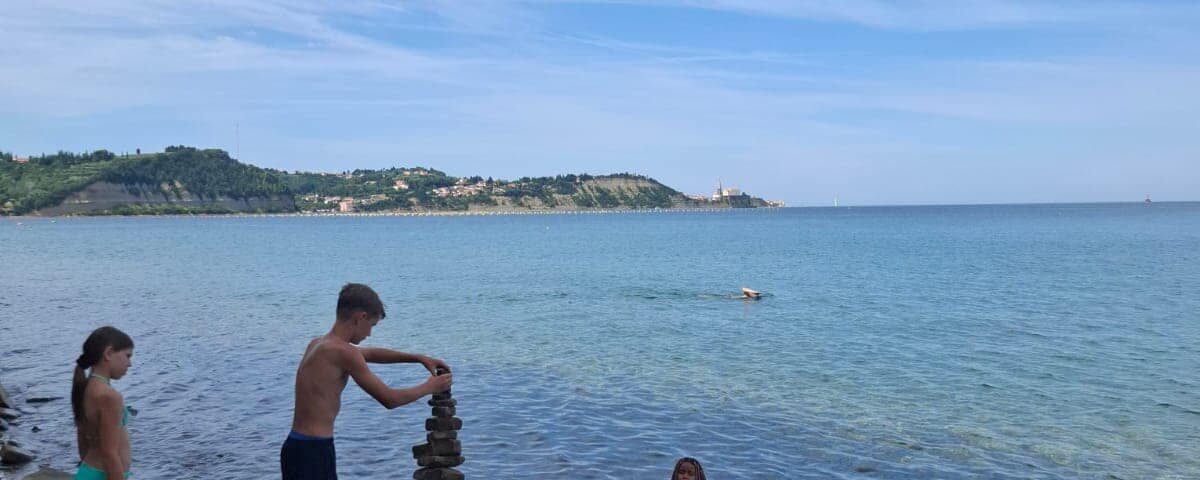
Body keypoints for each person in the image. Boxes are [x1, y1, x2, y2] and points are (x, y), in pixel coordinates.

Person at [281, 283, 453, 480]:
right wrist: (430, 387)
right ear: (360, 317)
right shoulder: (344, 352)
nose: (369, 334)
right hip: (313, 450)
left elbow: (370, 353)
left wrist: (418, 357)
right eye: (372, 325)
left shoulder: (320, 344)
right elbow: (389, 399)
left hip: (296, 446)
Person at [71, 326, 135, 480]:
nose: (129, 363)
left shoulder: (85, 388)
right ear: (108, 353)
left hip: (90, 472)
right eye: (127, 356)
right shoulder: (110, 397)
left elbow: (82, 441)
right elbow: (109, 454)